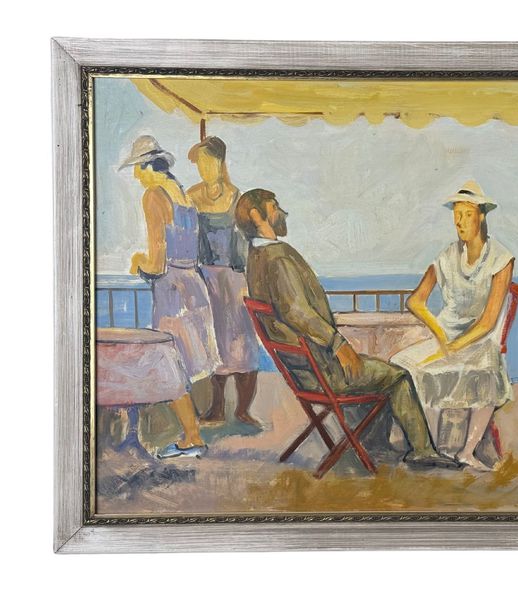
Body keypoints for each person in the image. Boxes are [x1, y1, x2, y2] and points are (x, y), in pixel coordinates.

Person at [235, 188, 455, 469]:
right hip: (323, 372)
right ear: (257, 216)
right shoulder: (277, 258)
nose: (282, 213)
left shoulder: (256, 257)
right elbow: (296, 312)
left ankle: (373, 445)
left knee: (374, 370)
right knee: (398, 377)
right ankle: (422, 451)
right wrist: (338, 344)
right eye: (274, 207)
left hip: (304, 371)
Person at [391, 181, 515, 471]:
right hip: (446, 336)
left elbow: (488, 321)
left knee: (487, 368)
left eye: (467, 214)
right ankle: (429, 445)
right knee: (402, 364)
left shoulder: (501, 259)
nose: (460, 222)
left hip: (479, 340)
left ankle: (467, 451)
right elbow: (415, 301)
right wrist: (439, 334)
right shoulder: (447, 256)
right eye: (456, 215)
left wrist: (455, 346)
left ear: (481, 216)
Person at [122, 135, 220, 459]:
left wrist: (138, 264)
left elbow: (157, 260)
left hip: (172, 289)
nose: (136, 175)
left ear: (148, 167)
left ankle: (192, 437)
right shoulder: (183, 195)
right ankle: (193, 433)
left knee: (172, 363)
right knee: (192, 362)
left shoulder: (154, 196)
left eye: (138, 168)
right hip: (194, 284)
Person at [187, 136, 260, 427]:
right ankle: (216, 408)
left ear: (220, 162)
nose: (204, 168)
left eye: (209, 162)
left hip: (234, 278)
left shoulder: (236, 197)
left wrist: (246, 285)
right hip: (206, 278)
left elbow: (245, 244)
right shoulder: (191, 196)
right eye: (200, 163)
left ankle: (243, 410)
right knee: (214, 344)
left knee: (243, 344)